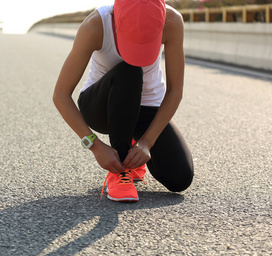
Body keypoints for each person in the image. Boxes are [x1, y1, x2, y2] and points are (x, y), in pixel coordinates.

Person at [53, 0, 194, 202]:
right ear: (116, 20)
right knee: (130, 71)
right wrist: (95, 145)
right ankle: (118, 172)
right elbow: (60, 95)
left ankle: (132, 150)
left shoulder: (172, 21)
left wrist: (147, 142)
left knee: (180, 179)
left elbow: (175, 91)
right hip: (102, 107)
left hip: (146, 109)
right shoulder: (96, 25)